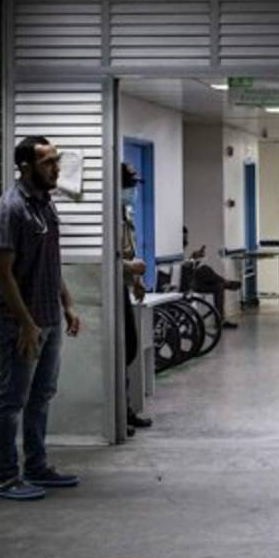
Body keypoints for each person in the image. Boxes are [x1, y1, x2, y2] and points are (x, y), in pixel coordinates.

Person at [0, 136, 82, 500]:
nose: (56, 168)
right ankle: (5, 477)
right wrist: (26, 323)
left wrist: (67, 304)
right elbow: (3, 274)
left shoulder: (45, 204)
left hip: (49, 317)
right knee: (13, 399)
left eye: (56, 160)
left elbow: (49, 263)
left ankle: (37, 466)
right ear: (26, 167)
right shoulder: (9, 209)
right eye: (48, 162)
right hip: (21, 324)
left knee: (42, 395)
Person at [120, 163, 152, 434]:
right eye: (129, 184)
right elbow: (110, 258)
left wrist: (138, 282)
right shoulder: (107, 216)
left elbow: (129, 251)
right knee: (123, 350)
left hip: (125, 287)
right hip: (112, 290)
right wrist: (131, 268)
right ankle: (121, 413)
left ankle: (126, 410)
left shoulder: (125, 213)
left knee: (129, 349)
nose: (132, 190)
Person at [183, 245, 242, 328]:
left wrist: (195, 257)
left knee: (219, 286)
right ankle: (226, 283)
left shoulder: (183, 254)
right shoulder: (178, 251)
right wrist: (193, 257)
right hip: (193, 285)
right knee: (205, 269)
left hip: (197, 283)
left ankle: (220, 321)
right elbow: (187, 269)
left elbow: (190, 267)